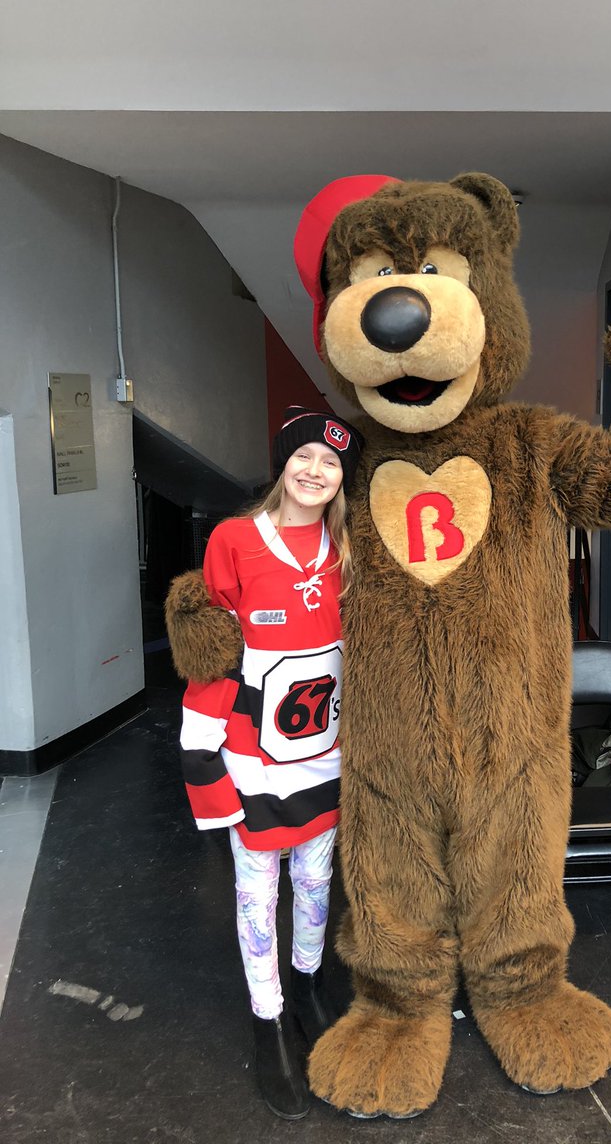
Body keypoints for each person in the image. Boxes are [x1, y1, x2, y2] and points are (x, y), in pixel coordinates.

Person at [176, 406, 363, 1121]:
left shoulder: (349, 548)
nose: (315, 472)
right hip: (254, 761)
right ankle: (268, 1019)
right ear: (282, 463)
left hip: (325, 757)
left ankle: (309, 984)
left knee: (317, 880)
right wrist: (204, 765)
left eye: (331, 463)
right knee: (260, 894)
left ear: (342, 479)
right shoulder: (234, 540)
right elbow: (211, 655)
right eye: (303, 456)